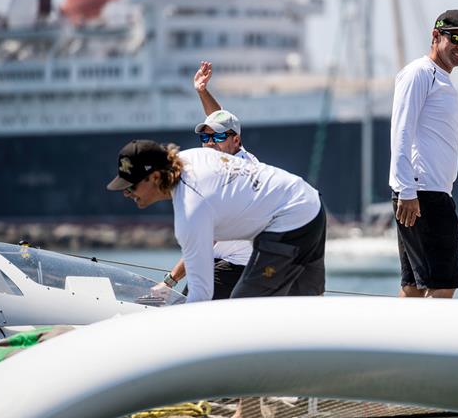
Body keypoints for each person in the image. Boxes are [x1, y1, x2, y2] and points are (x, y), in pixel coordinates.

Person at [108, 140, 325, 302]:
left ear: (155, 177)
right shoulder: (188, 157)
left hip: (291, 221)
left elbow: (201, 296)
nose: (126, 193)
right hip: (309, 200)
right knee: (305, 302)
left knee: (240, 309)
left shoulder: (191, 210)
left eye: (131, 186)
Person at [389, 9, 458, 298]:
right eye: (455, 38)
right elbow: (401, 130)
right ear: (436, 36)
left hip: (430, 192)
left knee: (414, 286)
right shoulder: (420, 73)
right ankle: (422, 343)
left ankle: (395, 342)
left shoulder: (440, 78)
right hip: (422, 193)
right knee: (442, 285)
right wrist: (406, 190)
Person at [154, 61, 259, 299]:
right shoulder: (233, 152)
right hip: (222, 260)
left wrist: (169, 281)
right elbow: (221, 121)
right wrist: (202, 91)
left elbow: (205, 240)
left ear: (236, 141)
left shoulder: (236, 177)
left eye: (218, 137)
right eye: (205, 137)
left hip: (237, 265)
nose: (210, 142)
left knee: (186, 310)